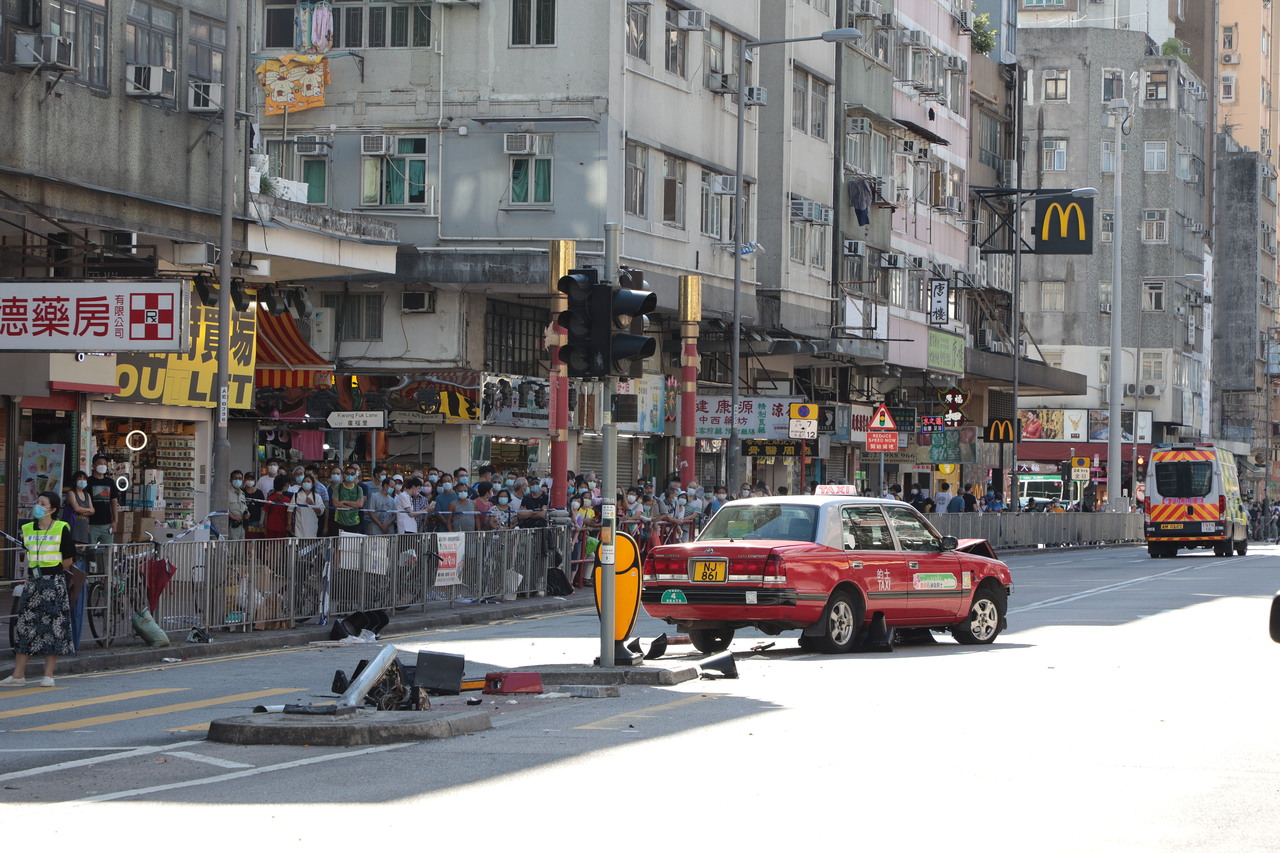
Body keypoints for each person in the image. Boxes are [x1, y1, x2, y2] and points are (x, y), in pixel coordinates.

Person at [2, 492, 76, 687]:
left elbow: (68, 560)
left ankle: (48, 675)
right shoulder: (27, 528)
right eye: (37, 502)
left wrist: (51, 573)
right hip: (33, 582)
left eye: (43, 503)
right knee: (25, 626)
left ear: (52, 509)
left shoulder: (61, 528)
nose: (38, 505)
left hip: (53, 582)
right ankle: (18, 675)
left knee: (54, 627)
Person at [85, 454, 121, 546]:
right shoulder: (88, 482)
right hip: (91, 524)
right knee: (91, 552)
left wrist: (115, 521)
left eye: (105, 463)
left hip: (107, 524)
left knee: (107, 553)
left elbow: (114, 502)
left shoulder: (110, 482)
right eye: (100, 463)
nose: (103, 465)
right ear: (93, 466)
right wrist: (85, 523)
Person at [332, 466, 365, 535]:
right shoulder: (338, 487)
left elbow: (360, 504)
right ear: (344, 475)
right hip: (339, 522)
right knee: (338, 545)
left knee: (352, 545)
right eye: (347, 473)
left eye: (352, 474)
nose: (350, 475)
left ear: (355, 476)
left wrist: (344, 502)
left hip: (354, 522)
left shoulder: (358, 489)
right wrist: (351, 507)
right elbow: (336, 504)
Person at [64, 470, 93, 544]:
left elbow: (92, 510)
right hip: (73, 528)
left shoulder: (87, 495)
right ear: (75, 481)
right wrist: (88, 510)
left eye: (84, 479)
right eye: (80, 479)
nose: (82, 481)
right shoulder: (71, 493)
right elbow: (76, 508)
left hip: (84, 528)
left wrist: (82, 510)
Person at [292, 474, 325, 538]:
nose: (306, 483)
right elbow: (290, 510)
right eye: (304, 481)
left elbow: (320, 512)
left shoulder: (317, 497)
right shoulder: (296, 495)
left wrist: (312, 505)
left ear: (313, 484)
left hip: (312, 527)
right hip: (298, 527)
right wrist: (289, 524)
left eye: (308, 481)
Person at [227, 470, 248, 540]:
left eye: (240, 478)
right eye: (235, 478)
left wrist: (247, 514)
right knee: (231, 549)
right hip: (231, 527)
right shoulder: (226, 493)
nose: (238, 480)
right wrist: (231, 515)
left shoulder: (242, 494)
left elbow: (245, 508)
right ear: (230, 480)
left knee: (240, 550)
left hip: (241, 527)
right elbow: (220, 509)